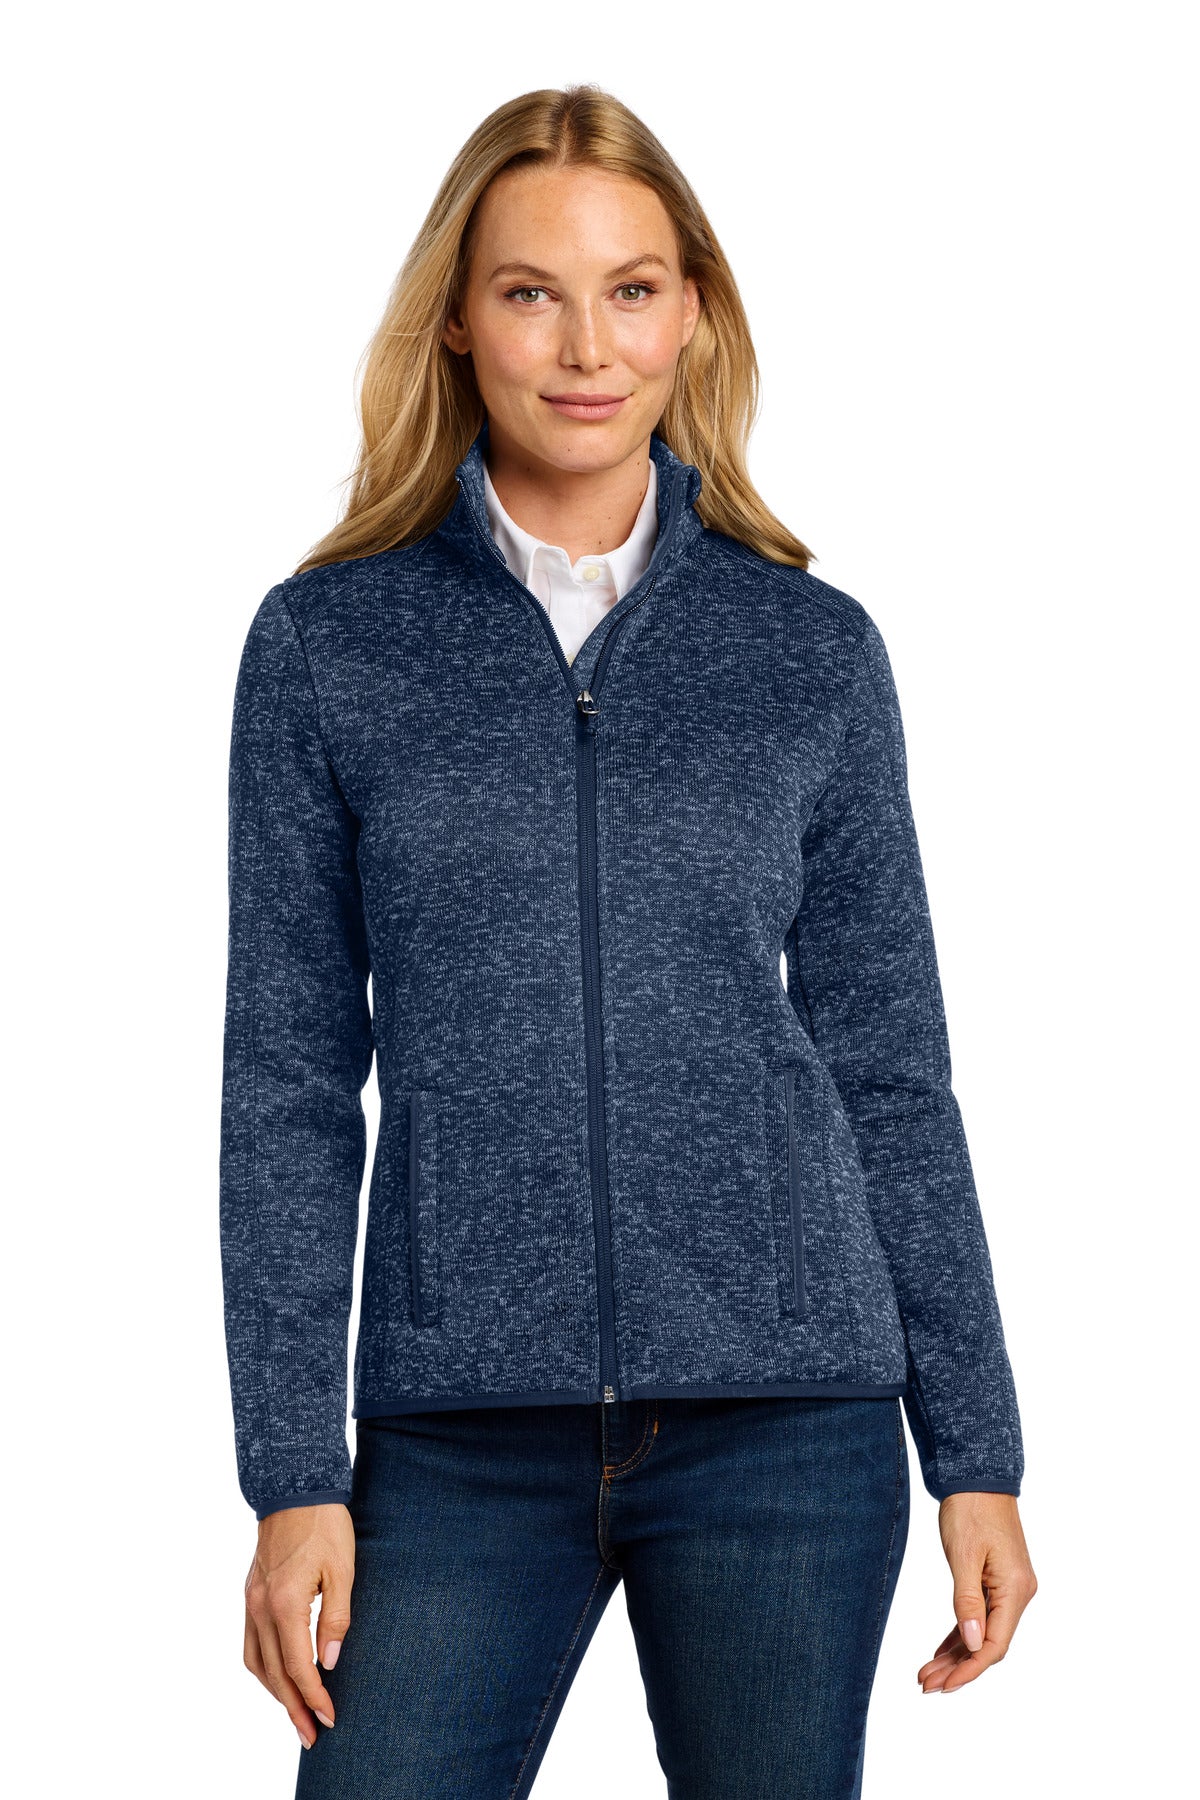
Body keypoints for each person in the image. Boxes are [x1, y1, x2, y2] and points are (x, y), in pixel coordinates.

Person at [219, 83, 1038, 1799]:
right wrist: (294, 1471)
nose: (586, 346)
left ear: (693, 313)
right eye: (531, 292)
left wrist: (976, 1449)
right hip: (455, 1436)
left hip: (788, 1424)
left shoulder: (808, 651)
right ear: (459, 318)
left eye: (633, 289)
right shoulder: (328, 647)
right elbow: (287, 1083)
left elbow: (892, 1070)